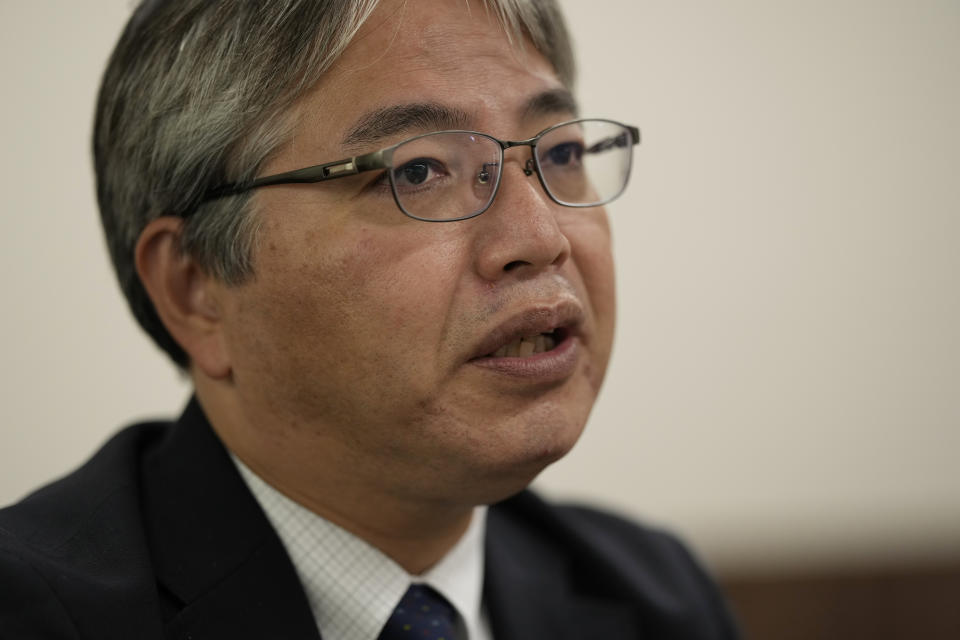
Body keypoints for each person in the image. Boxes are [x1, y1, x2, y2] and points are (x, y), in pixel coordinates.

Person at [0, 1, 738, 638]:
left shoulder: (654, 598)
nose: (541, 238)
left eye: (563, 152)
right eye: (418, 170)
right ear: (197, 288)